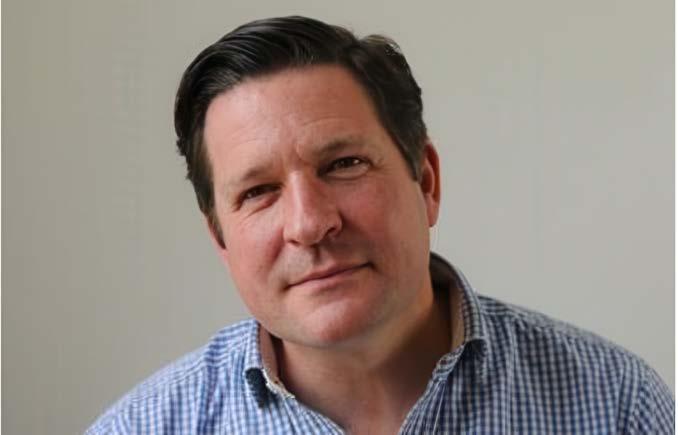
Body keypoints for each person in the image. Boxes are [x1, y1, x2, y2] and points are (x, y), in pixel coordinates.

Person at [87, 16, 673, 434]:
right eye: (259, 192)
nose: (310, 224)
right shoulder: (142, 428)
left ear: (426, 181)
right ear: (220, 236)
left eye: (344, 165)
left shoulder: (615, 404)